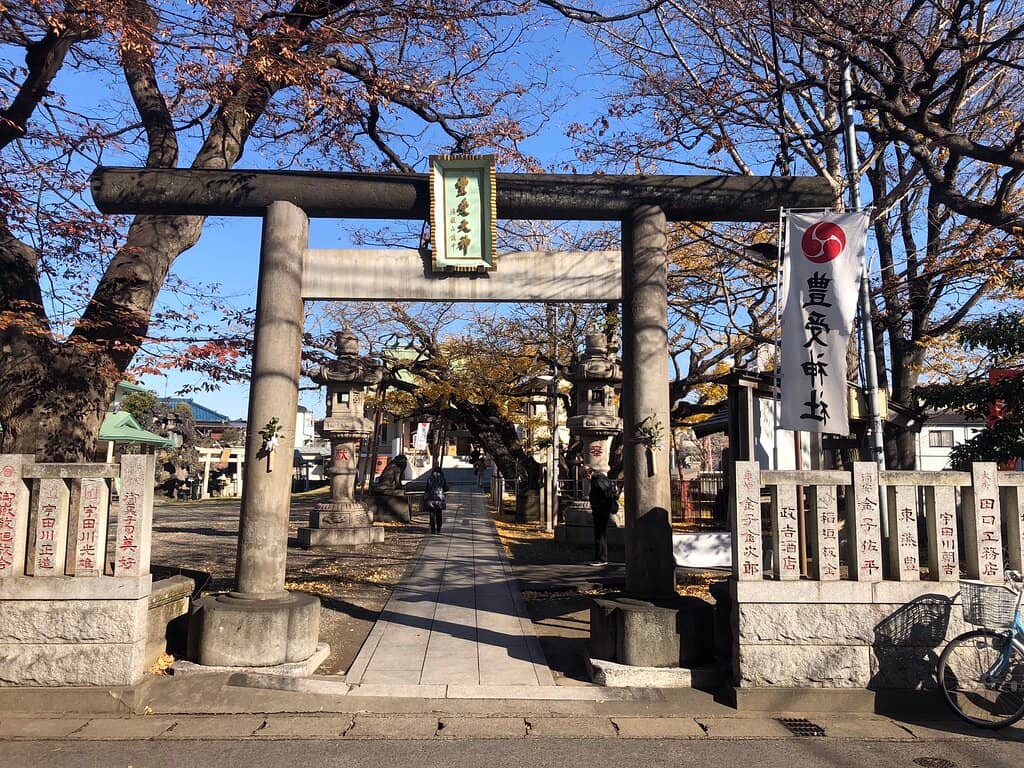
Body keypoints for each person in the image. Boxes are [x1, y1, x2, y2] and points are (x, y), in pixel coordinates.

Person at [584, 465, 618, 566]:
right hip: (601, 509)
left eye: (585, 475)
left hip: (601, 510)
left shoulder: (598, 480)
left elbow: (606, 495)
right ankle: (600, 557)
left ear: (589, 473)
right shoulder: (600, 478)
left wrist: (600, 507)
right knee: (599, 534)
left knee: (600, 534)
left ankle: (602, 558)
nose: (585, 478)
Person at [422, 467, 449, 534]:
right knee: (439, 513)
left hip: (431, 497)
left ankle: (433, 529)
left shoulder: (430, 478)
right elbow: (446, 488)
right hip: (439, 498)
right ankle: (439, 528)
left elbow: (427, 488)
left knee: (431, 514)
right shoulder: (442, 478)